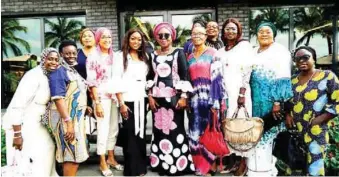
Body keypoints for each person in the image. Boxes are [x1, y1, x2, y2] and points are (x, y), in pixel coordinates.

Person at [147, 22, 195, 176]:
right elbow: (150, 77)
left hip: (174, 99)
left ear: (172, 37)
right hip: (157, 100)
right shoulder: (153, 54)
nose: (163, 38)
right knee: (160, 131)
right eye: (160, 35)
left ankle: (177, 165)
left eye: (166, 35)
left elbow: (184, 75)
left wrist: (183, 96)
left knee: (175, 130)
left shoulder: (178, 53)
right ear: (156, 37)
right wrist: (150, 96)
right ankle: (161, 164)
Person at [3, 48, 60, 177]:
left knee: (47, 151)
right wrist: (17, 135)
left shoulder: (48, 75)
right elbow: (17, 105)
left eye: (56, 60)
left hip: (37, 122)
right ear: (43, 59)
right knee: (32, 160)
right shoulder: (33, 76)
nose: (54, 62)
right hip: (23, 123)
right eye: (50, 59)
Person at [246, 21, 293, 177]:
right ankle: (254, 170)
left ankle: (264, 172)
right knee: (255, 134)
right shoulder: (253, 52)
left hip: (271, 103)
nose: (264, 34)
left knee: (267, 136)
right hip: (254, 101)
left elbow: (283, 77)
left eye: (268, 31)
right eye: (261, 31)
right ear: (256, 35)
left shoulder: (280, 51)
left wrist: (278, 102)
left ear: (274, 34)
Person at [285, 46, 339, 176]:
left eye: (305, 57)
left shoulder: (327, 76)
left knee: (315, 168)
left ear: (314, 59)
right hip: (296, 132)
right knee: (296, 168)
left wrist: (320, 119)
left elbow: (337, 101)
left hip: (316, 131)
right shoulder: (292, 80)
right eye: (298, 59)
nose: (301, 61)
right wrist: (287, 115)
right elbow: (286, 101)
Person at [215, 18, 253, 176]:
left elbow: (248, 70)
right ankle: (233, 160)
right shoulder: (221, 51)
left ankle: (243, 163)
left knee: (241, 127)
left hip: (239, 91)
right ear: (223, 32)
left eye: (233, 29)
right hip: (225, 93)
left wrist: (242, 93)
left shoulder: (244, 47)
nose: (230, 31)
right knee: (228, 127)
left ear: (238, 31)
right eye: (227, 29)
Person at [187, 26, 227, 176]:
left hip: (209, 100)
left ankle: (210, 166)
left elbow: (217, 79)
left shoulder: (213, 53)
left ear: (205, 37)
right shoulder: (189, 56)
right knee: (195, 133)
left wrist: (215, 102)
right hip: (194, 101)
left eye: (200, 34)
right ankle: (199, 165)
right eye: (194, 33)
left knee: (209, 132)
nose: (196, 36)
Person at [47, 40, 89, 176]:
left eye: (74, 53)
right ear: (61, 54)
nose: (71, 56)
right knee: (70, 155)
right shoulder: (58, 71)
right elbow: (58, 98)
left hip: (74, 118)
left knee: (75, 154)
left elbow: (73, 92)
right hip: (65, 119)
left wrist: (85, 106)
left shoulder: (70, 70)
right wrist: (68, 123)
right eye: (67, 53)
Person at [86, 27, 124, 177]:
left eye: (109, 37)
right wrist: (97, 102)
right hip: (101, 98)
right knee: (103, 130)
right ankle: (102, 161)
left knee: (113, 129)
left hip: (115, 97)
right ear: (98, 39)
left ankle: (111, 158)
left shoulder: (115, 56)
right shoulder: (93, 57)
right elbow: (92, 82)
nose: (107, 40)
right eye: (103, 37)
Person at [114, 28, 149, 176]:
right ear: (127, 39)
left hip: (142, 98)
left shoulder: (145, 56)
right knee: (130, 135)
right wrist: (121, 103)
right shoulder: (119, 56)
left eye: (139, 39)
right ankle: (131, 169)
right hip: (127, 100)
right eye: (133, 38)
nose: (136, 42)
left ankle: (141, 167)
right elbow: (116, 81)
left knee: (140, 133)